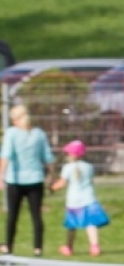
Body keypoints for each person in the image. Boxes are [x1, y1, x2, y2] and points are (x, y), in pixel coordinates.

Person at [1, 102, 54, 256]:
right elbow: (48, 157)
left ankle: (8, 246)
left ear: (16, 119)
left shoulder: (12, 133)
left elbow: (6, 155)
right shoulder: (39, 133)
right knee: (36, 215)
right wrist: (52, 176)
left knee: (12, 215)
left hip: (15, 181)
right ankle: (38, 248)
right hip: (36, 179)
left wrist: (1, 176)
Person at [51, 139, 108, 257]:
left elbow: (61, 183)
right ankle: (94, 246)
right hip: (89, 198)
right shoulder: (89, 167)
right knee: (91, 224)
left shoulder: (67, 167)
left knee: (72, 226)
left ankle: (69, 247)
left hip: (74, 201)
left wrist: (52, 187)